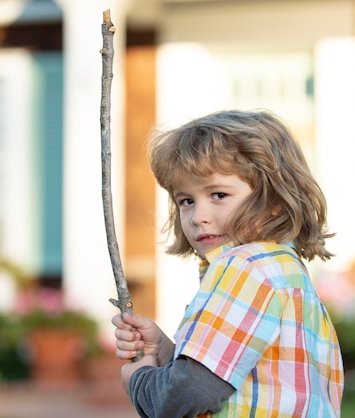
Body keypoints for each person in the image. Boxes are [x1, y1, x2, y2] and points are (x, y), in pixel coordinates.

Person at [112, 110, 343, 417]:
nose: (198, 217)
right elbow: (246, 374)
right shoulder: (283, 269)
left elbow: (189, 394)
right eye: (186, 200)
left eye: (219, 194)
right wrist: (167, 352)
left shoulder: (245, 268)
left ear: (273, 201)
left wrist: (139, 380)